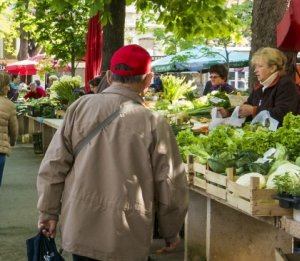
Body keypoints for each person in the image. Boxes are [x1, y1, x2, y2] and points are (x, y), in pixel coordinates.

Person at [36, 44, 189, 261]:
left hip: (81, 227)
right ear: (148, 79)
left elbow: (53, 166)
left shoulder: (79, 108)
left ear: (109, 76)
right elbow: (170, 182)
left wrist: (48, 213)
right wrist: (170, 230)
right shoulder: (153, 122)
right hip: (127, 234)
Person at [219, 47, 300, 126]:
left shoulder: (286, 84)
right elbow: (248, 106)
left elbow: (283, 114)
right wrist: (228, 112)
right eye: (255, 66)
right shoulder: (261, 87)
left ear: (272, 68)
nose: (255, 70)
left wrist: (254, 110)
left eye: (260, 66)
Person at [0, 72, 18, 187]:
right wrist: (11, 142)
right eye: (7, 84)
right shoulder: (10, 105)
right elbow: (14, 130)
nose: (8, 87)